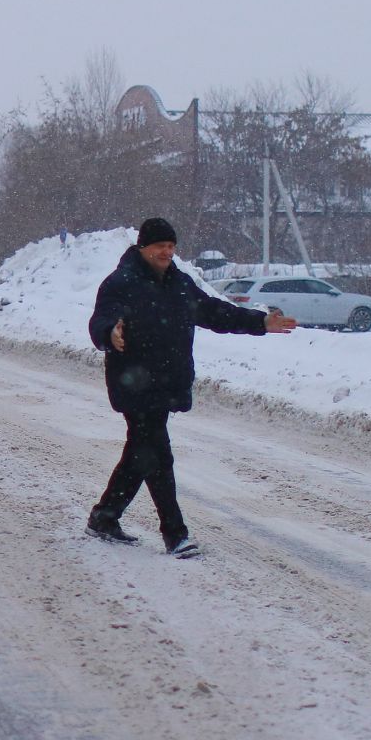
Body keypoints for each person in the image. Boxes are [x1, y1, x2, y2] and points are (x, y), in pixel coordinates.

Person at [86, 217, 296, 558]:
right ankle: (175, 534)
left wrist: (259, 322)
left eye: (171, 247)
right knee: (157, 454)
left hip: (165, 381)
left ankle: (104, 516)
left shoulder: (179, 284)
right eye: (160, 247)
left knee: (140, 456)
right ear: (143, 247)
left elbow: (215, 312)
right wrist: (111, 333)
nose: (167, 253)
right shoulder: (121, 283)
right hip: (134, 383)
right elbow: (100, 320)